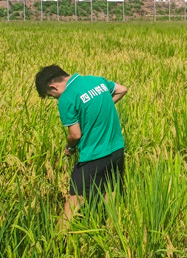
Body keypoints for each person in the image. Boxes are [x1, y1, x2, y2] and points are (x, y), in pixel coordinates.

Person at [35, 65, 127, 225]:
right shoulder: (96, 81)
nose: (55, 98)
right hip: (117, 150)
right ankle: (111, 232)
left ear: (53, 86)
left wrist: (69, 148)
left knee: (72, 203)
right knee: (110, 194)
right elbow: (122, 90)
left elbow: (75, 134)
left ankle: (58, 243)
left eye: (51, 96)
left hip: (93, 156)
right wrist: (97, 110)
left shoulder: (67, 98)